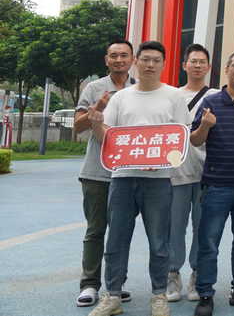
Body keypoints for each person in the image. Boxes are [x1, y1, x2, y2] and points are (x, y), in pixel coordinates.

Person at [87, 40, 192, 316]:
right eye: (145, 59)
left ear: (164, 64)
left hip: (158, 180)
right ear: (137, 62)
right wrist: (96, 122)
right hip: (122, 178)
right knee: (116, 240)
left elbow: (180, 139)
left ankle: (159, 295)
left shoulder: (174, 96)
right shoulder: (121, 97)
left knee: (159, 242)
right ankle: (112, 295)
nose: (150, 65)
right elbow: (107, 137)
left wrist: (157, 159)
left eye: (156, 60)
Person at [189, 51, 234, 316]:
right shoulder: (210, 102)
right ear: (227, 70)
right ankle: (205, 294)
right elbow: (195, 140)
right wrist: (205, 126)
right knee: (209, 243)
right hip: (216, 185)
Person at [73, 39, 136, 308]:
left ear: (133, 59)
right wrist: (96, 109)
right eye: (113, 55)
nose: (119, 60)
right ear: (106, 60)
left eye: (124, 55)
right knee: (96, 229)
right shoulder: (94, 88)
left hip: (130, 173)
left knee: (122, 232)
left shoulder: (140, 88)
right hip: (97, 173)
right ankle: (89, 284)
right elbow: (77, 127)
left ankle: (116, 284)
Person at [168, 44, 217, 304]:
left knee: (203, 230)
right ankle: (171, 273)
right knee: (173, 228)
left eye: (202, 62)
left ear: (209, 67)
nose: (197, 65)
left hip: (205, 175)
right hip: (174, 174)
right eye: (193, 61)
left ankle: (198, 276)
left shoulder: (217, 96)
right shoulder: (170, 95)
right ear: (184, 65)